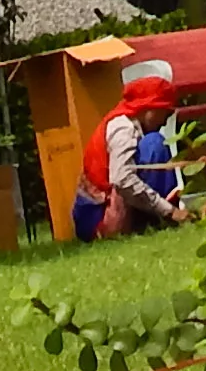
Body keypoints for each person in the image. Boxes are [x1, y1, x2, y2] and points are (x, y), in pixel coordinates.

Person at [73, 61, 188, 243]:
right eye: (165, 113)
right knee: (155, 144)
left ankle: (160, 218)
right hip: (99, 219)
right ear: (150, 109)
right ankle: (162, 219)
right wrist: (169, 211)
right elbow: (122, 179)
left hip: (102, 211)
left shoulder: (129, 124)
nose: (166, 121)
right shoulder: (122, 128)